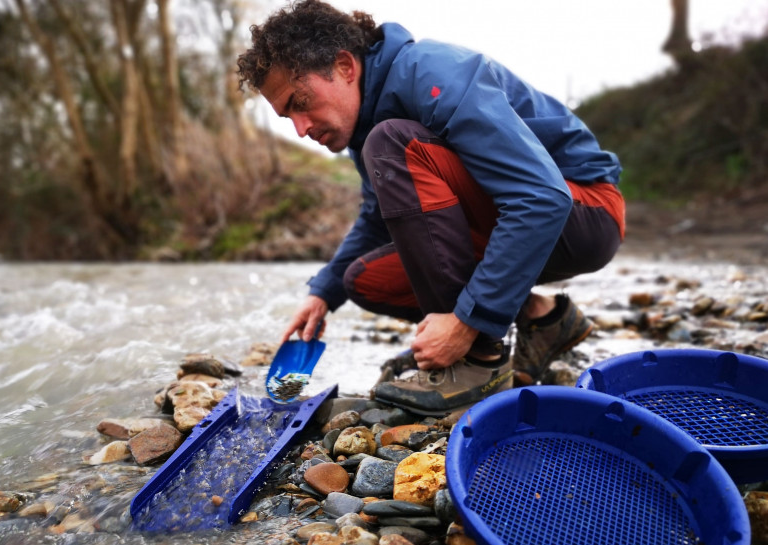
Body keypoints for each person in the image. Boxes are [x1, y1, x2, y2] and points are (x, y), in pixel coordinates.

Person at [237, 0, 625, 415]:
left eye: (301, 101)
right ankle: (544, 319)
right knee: (363, 279)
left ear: (345, 67)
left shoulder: (431, 72)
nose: (301, 129)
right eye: (285, 117)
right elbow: (376, 219)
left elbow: (541, 197)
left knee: (390, 143)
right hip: (519, 217)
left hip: (586, 211)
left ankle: (480, 363)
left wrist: (467, 324)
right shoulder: (366, 125)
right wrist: (323, 293)